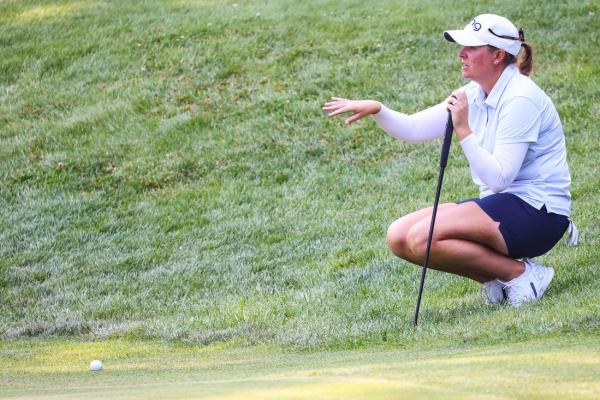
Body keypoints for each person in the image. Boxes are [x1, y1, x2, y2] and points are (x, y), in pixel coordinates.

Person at [322, 14, 578, 307]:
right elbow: (414, 128)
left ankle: (522, 275)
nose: (461, 53)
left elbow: (499, 179)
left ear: (498, 55)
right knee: (399, 236)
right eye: (462, 46)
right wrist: (378, 109)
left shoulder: (521, 98)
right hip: (503, 205)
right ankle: (496, 280)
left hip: (539, 215)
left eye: (471, 47)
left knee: (422, 237)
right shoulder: (473, 94)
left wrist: (464, 130)